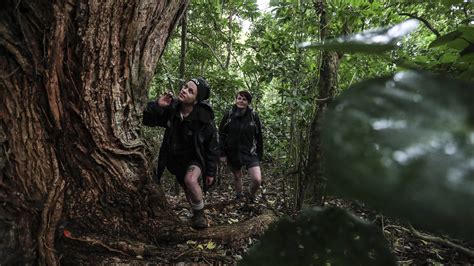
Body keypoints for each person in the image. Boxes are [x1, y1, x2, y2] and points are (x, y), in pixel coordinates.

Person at [142, 77, 218, 229]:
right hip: (175, 160)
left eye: (191, 91)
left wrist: (210, 172)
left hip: (195, 159)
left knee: (191, 180)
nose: (184, 90)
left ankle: (200, 216)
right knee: (188, 189)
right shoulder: (173, 109)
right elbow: (146, 119)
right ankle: (195, 213)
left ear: (197, 100)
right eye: (185, 87)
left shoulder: (204, 119)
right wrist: (158, 105)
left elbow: (212, 147)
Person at [218, 90, 263, 202]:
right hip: (233, 151)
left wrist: (260, 155)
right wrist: (222, 153)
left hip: (250, 152)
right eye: (239, 98)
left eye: (244, 99)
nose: (241, 101)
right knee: (237, 176)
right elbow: (221, 134)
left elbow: (259, 136)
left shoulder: (253, 116)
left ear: (248, 102)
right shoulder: (229, 115)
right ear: (235, 99)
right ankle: (239, 196)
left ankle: (250, 194)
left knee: (257, 180)